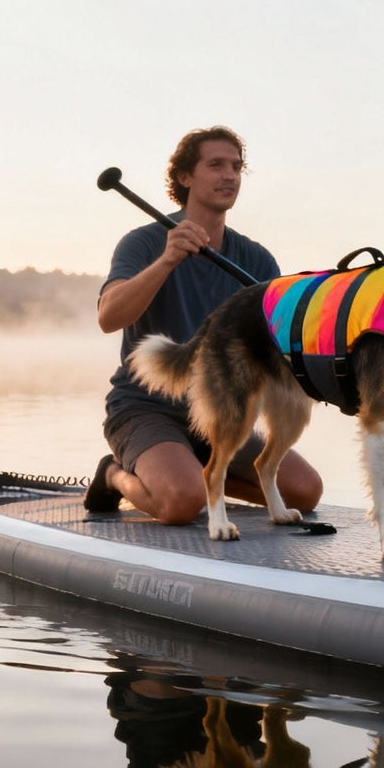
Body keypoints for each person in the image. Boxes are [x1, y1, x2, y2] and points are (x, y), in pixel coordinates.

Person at [85, 126, 322, 523]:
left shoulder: (258, 259)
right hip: (147, 407)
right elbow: (109, 317)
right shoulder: (143, 242)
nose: (229, 176)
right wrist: (167, 260)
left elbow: (279, 339)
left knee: (305, 491)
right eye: (215, 165)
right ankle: (113, 474)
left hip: (222, 410)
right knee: (181, 502)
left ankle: (201, 476)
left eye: (236, 167)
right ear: (184, 177)